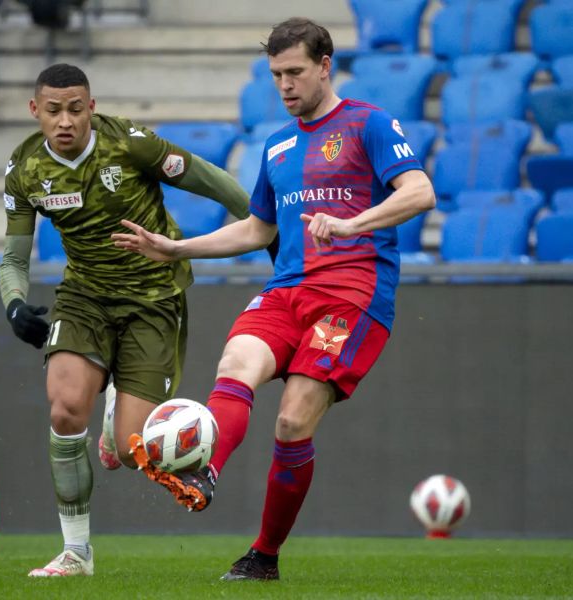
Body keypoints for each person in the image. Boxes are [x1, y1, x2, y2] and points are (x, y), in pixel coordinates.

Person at [113, 17, 436, 581]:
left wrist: (352, 224)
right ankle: (202, 469)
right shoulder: (277, 143)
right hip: (287, 291)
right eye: (276, 75)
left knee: (290, 423)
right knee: (235, 365)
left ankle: (263, 556)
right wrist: (176, 247)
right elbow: (258, 229)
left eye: (295, 73)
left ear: (324, 66)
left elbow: (420, 191)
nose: (285, 85)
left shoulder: (370, 123)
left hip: (352, 297)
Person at [0, 63, 252, 577]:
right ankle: (76, 553)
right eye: (53, 111)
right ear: (35, 111)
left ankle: (119, 408)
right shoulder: (24, 169)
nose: (65, 121)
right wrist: (15, 304)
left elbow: (211, 179)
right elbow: (13, 259)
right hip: (85, 295)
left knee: (140, 453)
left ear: (91, 107)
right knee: (66, 410)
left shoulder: (129, 144)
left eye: (75, 109)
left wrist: (264, 223)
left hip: (153, 298)